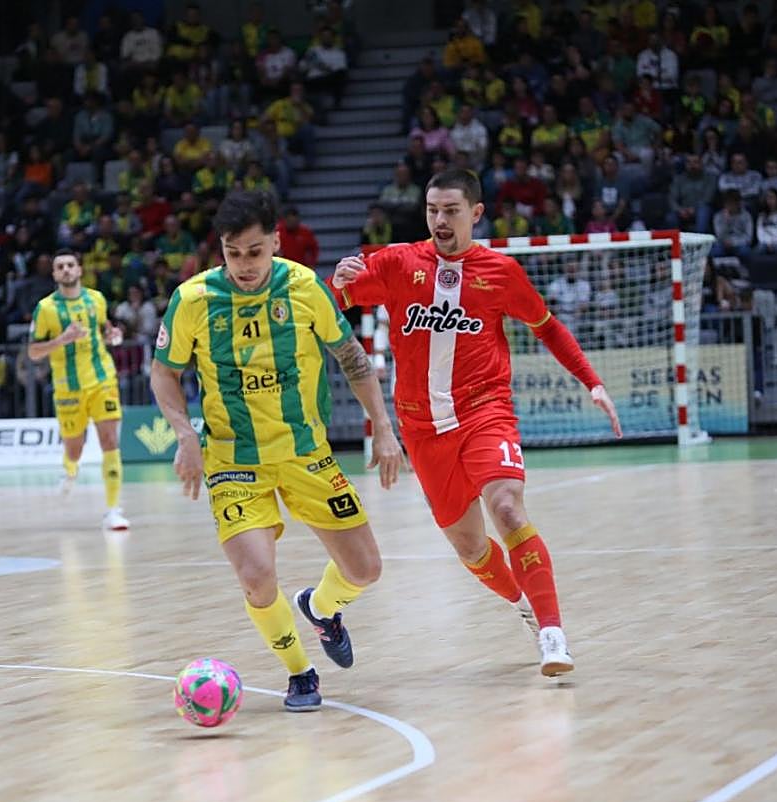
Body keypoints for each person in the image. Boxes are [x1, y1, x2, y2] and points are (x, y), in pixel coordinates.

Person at [330, 169, 622, 677]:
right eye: (432, 210)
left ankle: (553, 633)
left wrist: (591, 380)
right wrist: (338, 282)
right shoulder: (397, 262)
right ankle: (523, 604)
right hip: (423, 430)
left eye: (451, 211)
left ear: (476, 213)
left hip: (485, 411)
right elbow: (335, 306)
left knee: (507, 509)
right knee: (470, 546)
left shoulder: (501, 273)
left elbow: (547, 327)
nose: (440, 220)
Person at [150, 190, 402, 711]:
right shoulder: (193, 301)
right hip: (233, 461)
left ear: (276, 243)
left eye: (255, 251)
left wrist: (382, 424)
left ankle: (320, 607)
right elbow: (164, 373)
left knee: (366, 570)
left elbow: (351, 357)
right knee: (257, 576)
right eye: (233, 252)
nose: (244, 264)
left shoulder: (306, 287)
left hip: (306, 452)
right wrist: (184, 434)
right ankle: (300, 673)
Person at [27, 249, 130, 531]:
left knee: (110, 441)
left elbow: (106, 328)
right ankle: (70, 470)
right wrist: (62, 339)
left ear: (80, 269)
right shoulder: (46, 309)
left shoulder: (96, 299)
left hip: (102, 381)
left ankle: (113, 510)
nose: (67, 270)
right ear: (54, 274)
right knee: (75, 448)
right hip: (68, 388)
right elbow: (34, 352)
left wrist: (114, 334)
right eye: (60, 266)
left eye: (71, 265)